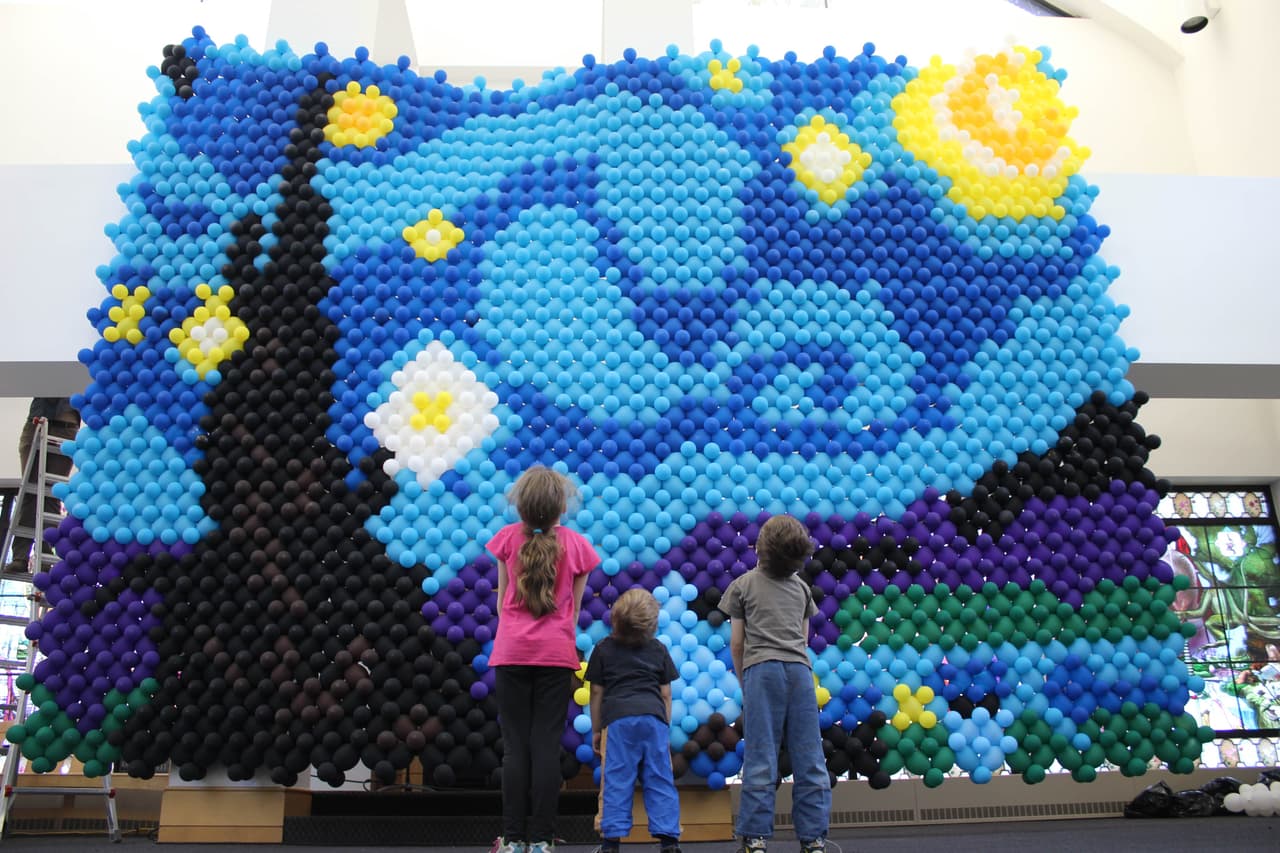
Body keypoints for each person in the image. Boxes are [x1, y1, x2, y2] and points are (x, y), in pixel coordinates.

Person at [487, 466, 600, 853]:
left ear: (521, 506)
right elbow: (572, 611)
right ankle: (541, 839)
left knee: (515, 747)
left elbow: (503, 606)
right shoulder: (576, 546)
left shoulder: (505, 541)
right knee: (545, 746)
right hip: (555, 654)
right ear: (559, 507)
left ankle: (513, 838)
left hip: (511, 651)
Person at [720, 514, 829, 853]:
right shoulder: (802, 589)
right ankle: (813, 839)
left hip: (760, 671)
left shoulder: (742, 585)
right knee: (809, 754)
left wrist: (745, 679)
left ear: (759, 550)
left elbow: (737, 643)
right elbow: (803, 640)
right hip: (798, 672)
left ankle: (755, 837)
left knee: (760, 754)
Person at [584, 588, 681, 853]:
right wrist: (664, 725)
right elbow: (665, 693)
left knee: (616, 779)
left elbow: (596, 692)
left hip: (618, 722)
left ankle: (610, 843)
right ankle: (669, 842)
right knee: (660, 779)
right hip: (653, 720)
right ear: (652, 624)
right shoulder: (658, 649)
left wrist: (596, 729)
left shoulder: (603, 649)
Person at [5, 398, 79, 574]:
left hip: (65, 428)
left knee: (50, 494)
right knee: (30, 493)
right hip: (36, 424)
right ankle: (20, 558)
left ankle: (44, 557)